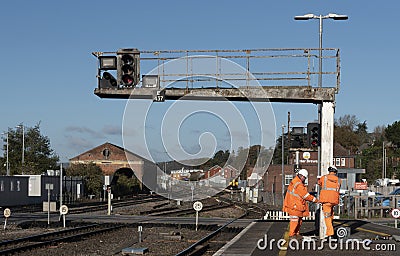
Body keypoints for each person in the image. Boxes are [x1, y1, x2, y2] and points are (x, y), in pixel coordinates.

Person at [283, 169, 318, 239]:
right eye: (304, 178)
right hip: (295, 205)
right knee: (295, 220)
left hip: (296, 204)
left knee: (299, 220)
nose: (305, 179)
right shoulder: (298, 184)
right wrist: (316, 200)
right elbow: (305, 195)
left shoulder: (296, 182)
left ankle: (296, 233)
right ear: (301, 176)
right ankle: (292, 234)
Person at [318, 166, 341, 237]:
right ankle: (329, 232)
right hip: (334, 200)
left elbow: (319, 183)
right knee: (331, 215)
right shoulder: (339, 180)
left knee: (327, 217)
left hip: (326, 200)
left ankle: (330, 233)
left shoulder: (324, 178)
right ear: (335, 172)